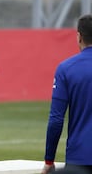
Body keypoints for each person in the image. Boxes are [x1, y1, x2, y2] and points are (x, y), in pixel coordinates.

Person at [41, 14, 92, 174]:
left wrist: (49, 160)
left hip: (80, 159)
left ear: (79, 36)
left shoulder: (67, 68)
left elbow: (56, 120)